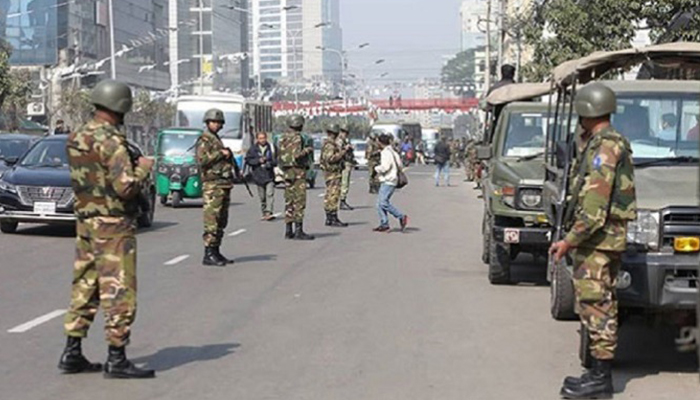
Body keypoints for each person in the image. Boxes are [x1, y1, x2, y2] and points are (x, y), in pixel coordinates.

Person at [60, 79, 155, 379]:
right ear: (121, 106)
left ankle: (72, 351)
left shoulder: (78, 136)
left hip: (86, 221)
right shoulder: (111, 140)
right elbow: (125, 187)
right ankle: (117, 357)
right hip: (113, 225)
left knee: (85, 285)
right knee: (118, 289)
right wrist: (143, 167)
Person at [549, 83, 636, 400]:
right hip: (605, 241)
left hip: (597, 242)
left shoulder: (604, 149)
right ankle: (598, 376)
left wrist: (568, 241)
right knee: (602, 306)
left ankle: (601, 380)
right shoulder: (605, 142)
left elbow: (594, 208)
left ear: (586, 111)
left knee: (596, 307)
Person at [196, 108, 235, 267]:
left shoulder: (215, 138)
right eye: (214, 122)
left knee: (221, 220)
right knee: (212, 220)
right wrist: (221, 153)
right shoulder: (205, 139)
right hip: (212, 185)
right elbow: (202, 160)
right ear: (207, 122)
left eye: (219, 122)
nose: (217, 125)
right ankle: (209, 253)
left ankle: (216, 250)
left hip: (222, 183)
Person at [278, 114, 314, 240]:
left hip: (287, 172)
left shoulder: (282, 138)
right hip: (298, 172)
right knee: (299, 201)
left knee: (289, 201)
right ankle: (298, 230)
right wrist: (308, 150)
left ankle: (288, 230)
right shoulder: (298, 138)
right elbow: (297, 155)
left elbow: (279, 156)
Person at [373, 134, 408, 232]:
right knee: (379, 204)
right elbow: (400, 165)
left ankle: (401, 216)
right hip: (392, 179)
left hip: (388, 180)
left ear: (380, 142)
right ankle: (384, 223)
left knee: (383, 203)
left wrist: (376, 169)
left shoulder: (385, 153)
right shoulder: (393, 152)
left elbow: (385, 167)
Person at [320, 123, 348, 227]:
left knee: (330, 194)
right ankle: (332, 217)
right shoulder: (330, 145)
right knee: (333, 195)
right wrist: (342, 153)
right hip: (333, 173)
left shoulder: (328, 143)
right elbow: (330, 159)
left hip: (331, 172)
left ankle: (330, 217)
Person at [246, 132, 277, 221]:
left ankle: (269, 212)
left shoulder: (272, 148)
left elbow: (277, 160)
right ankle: (264, 212)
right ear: (257, 139)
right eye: (260, 138)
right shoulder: (253, 149)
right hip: (258, 176)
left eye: (263, 138)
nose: (262, 140)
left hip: (269, 175)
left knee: (270, 194)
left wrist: (269, 163)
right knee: (262, 196)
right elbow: (248, 160)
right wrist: (258, 161)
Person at [338, 123, 355, 211]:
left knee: (345, 182)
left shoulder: (345, 141)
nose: (345, 134)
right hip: (343, 164)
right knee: (344, 183)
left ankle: (342, 200)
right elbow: (339, 152)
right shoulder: (339, 141)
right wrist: (346, 148)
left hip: (347, 163)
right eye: (344, 132)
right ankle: (342, 200)